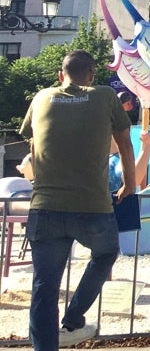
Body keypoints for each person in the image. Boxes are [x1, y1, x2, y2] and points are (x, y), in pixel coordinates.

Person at [20, 50, 137, 350]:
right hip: (91, 208)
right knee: (106, 254)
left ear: (61, 75)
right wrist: (129, 185)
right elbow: (125, 142)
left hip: (45, 208)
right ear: (91, 76)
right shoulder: (106, 96)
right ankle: (73, 318)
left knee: (44, 289)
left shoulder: (41, 97)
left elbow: (34, 147)